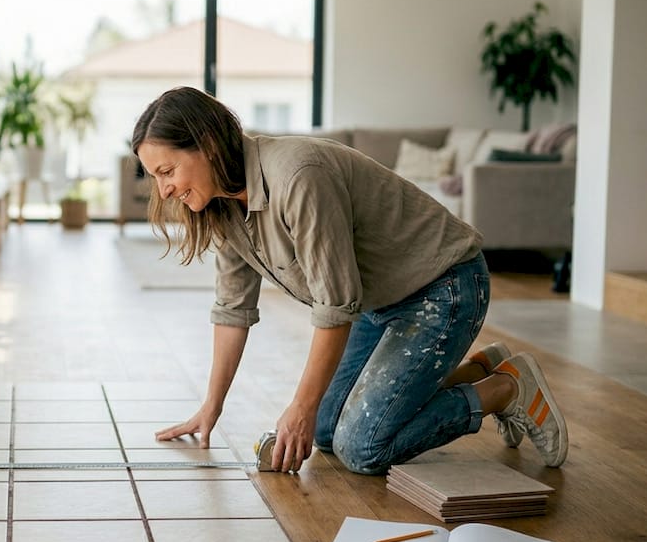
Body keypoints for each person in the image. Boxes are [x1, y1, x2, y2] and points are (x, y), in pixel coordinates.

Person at [134, 86, 568, 475]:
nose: (164, 190)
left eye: (167, 171)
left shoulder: (298, 177)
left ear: (207, 145)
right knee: (324, 430)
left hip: (444, 287)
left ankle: (507, 388)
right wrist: (212, 407)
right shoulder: (222, 206)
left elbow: (334, 305)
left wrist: (299, 408)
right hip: (380, 303)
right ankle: (482, 368)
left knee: (362, 446)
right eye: (156, 177)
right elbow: (233, 310)